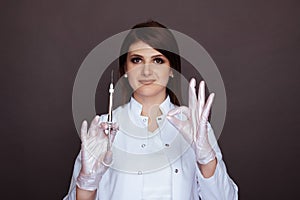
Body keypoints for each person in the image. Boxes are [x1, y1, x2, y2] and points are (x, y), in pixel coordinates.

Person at [64, 20, 238, 200]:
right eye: (137, 60)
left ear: (171, 70)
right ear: (125, 69)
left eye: (157, 60)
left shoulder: (195, 128)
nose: (147, 71)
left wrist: (206, 159)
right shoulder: (101, 130)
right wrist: (87, 183)